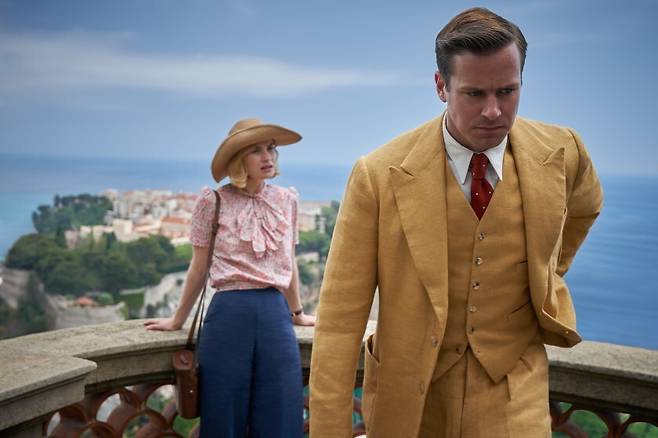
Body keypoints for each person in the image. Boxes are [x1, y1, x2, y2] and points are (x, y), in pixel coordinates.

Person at [309, 7, 603, 438]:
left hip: (514, 392)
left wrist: (546, 272)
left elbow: (585, 208)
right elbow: (339, 320)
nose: (493, 111)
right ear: (440, 86)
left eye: (507, 91)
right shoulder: (378, 174)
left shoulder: (564, 151)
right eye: (474, 94)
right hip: (409, 398)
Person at [145, 118, 315, 437]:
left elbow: (288, 262)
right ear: (239, 159)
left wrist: (298, 313)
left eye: (271, 149)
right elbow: (199, 268)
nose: (268, 157)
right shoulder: (213, 201)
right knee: (224, 416)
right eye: (256, 151)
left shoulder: (287, 200)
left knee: (281, 412)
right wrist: (178, 319)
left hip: (275, 316)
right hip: (228, 316)